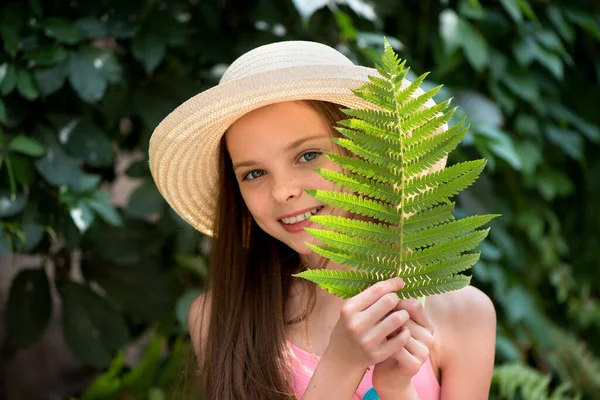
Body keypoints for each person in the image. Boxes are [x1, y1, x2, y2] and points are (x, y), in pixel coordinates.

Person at [149, 41, 496, 399]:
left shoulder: (461, 314)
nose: (282, 191)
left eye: (308, 155)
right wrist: (341, 364)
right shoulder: (219, 318)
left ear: (368, 154)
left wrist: (396, 388)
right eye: (254, 174)